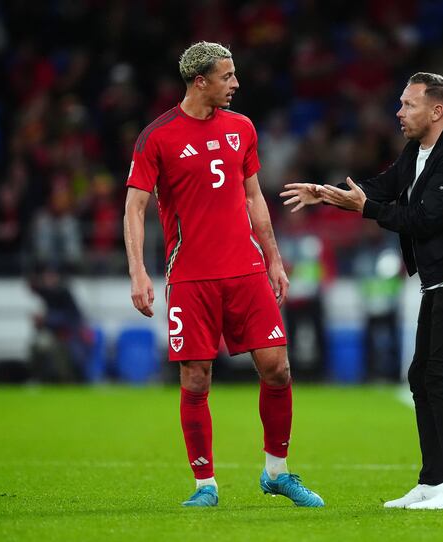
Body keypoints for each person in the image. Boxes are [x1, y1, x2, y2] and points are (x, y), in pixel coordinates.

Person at [282, 72, 443, 510]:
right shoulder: (420, 151)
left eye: (408, 104)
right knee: (421, 376)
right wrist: (327, 194)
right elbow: (384, 186)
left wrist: (366, 209)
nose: (399, 112)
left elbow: (423, 219)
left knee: (439, 379)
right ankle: (433, 480)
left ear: (436, 111)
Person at [123, 41, 323, 508]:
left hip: (246, 269)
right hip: (191, 275)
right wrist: (137, 271)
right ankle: (205, 486)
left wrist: (273, 257)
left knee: (277, 368)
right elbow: (134, 207)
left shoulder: (242, 128)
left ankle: (277, 472)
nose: (235, 84)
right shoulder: (158, 136)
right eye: (227, 76)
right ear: (200, 81)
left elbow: (253, 197)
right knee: (196, 380)